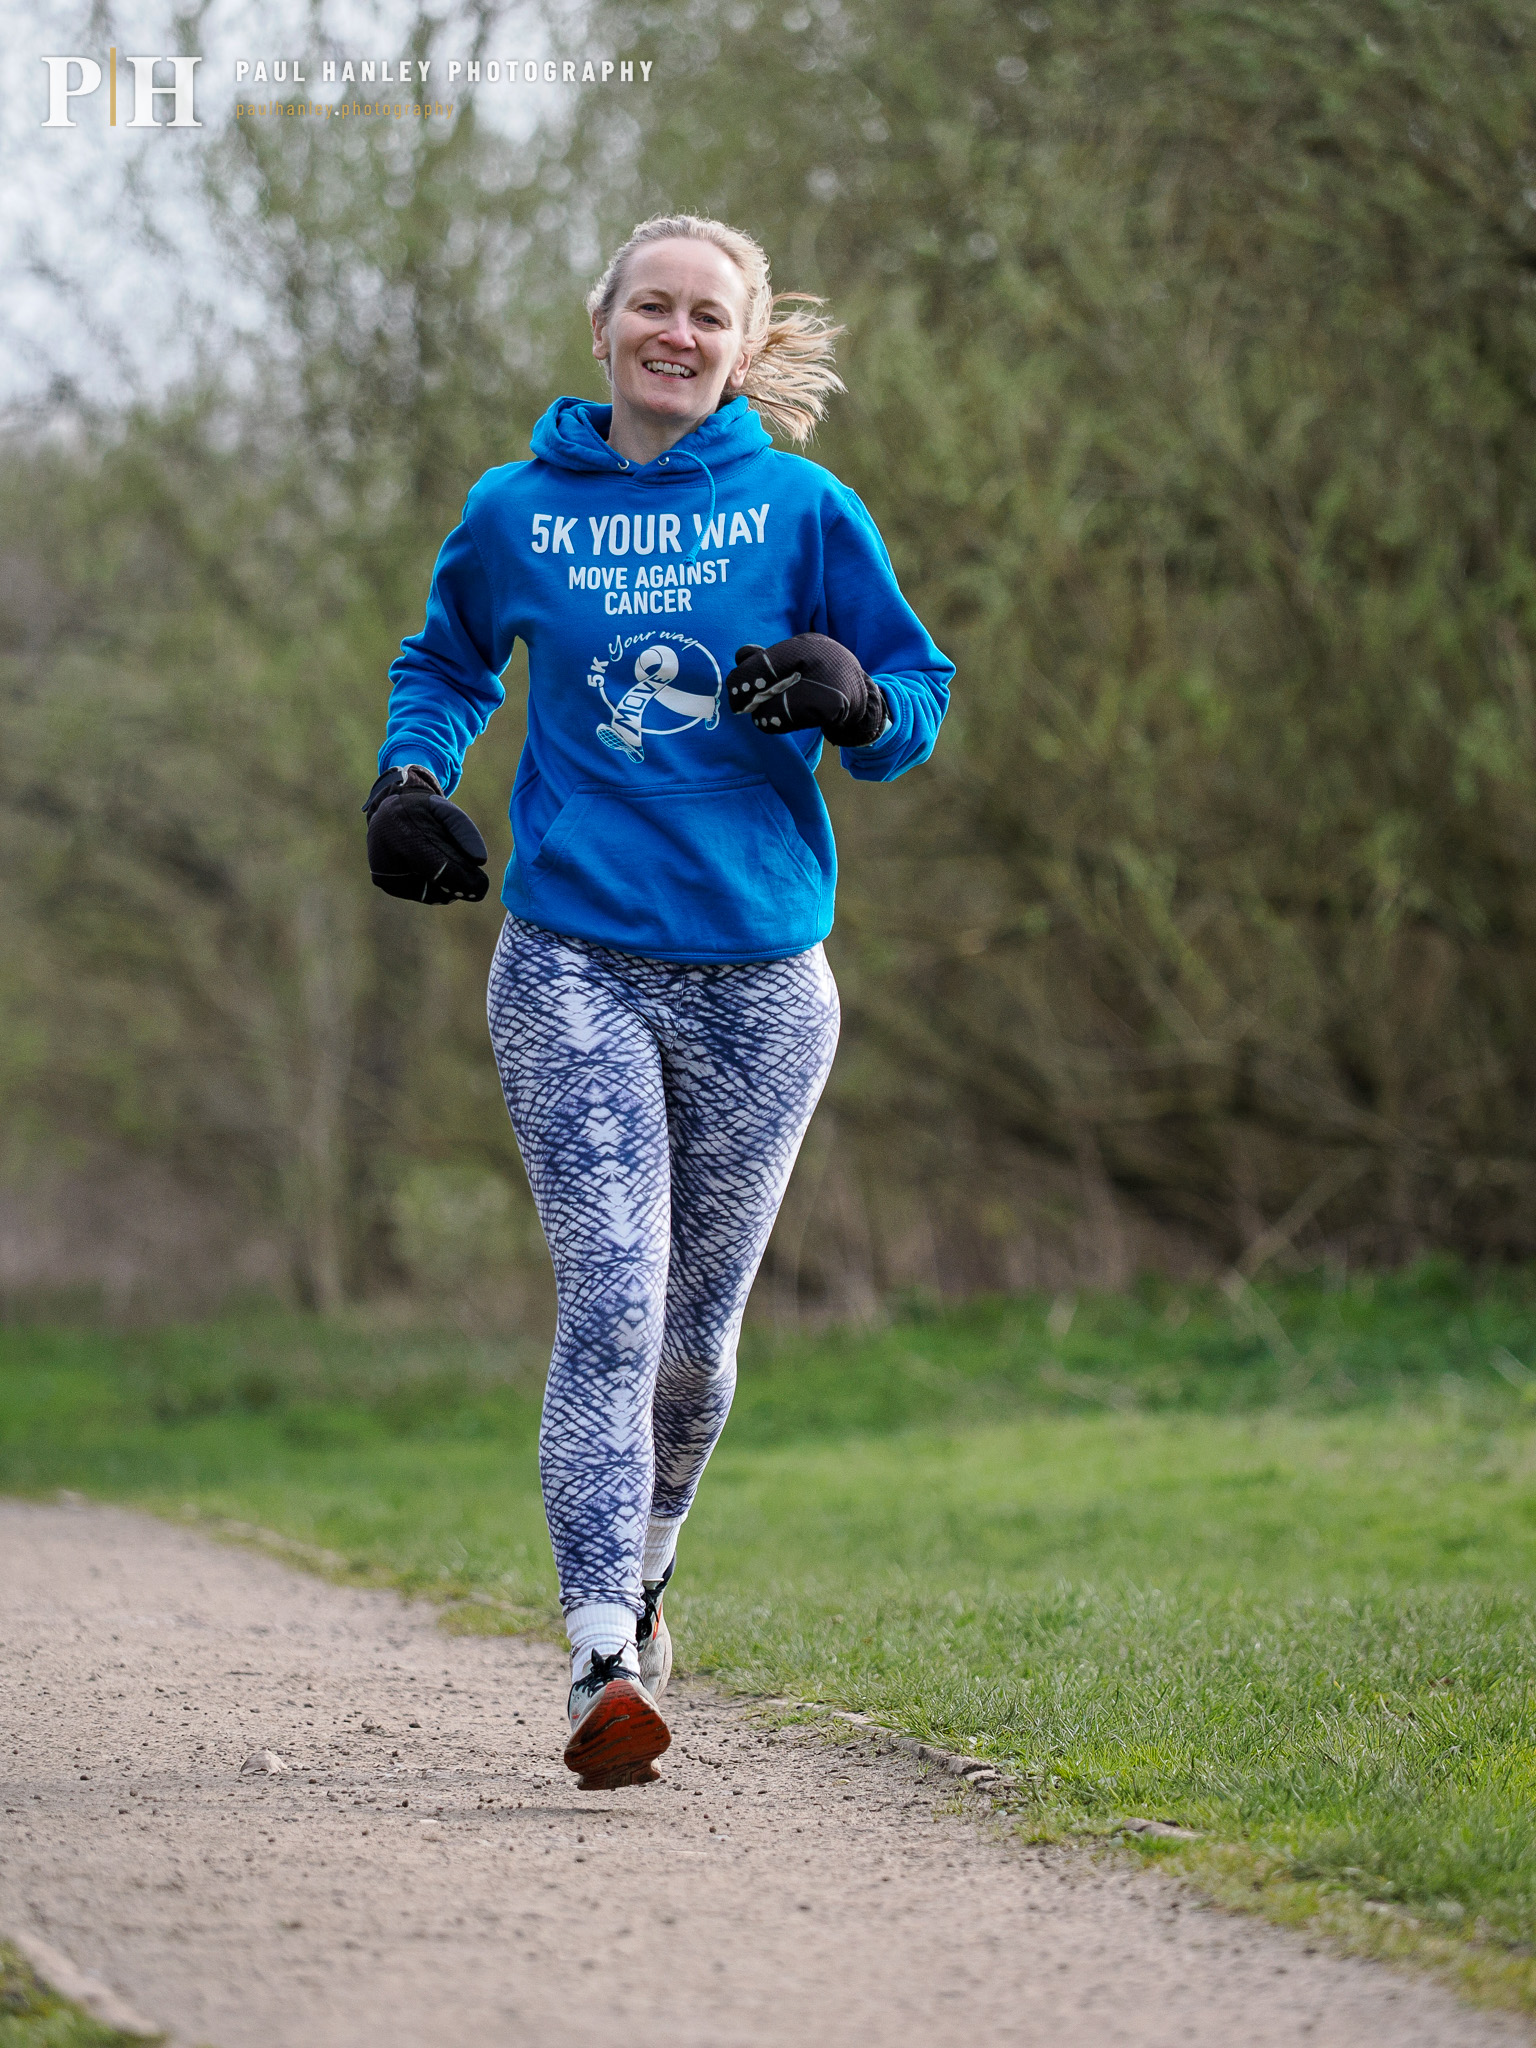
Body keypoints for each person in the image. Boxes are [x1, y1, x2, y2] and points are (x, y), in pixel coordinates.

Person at [364, 213, 953, 1790]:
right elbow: (446, 661)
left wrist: (852, 694)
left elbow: (916, 703)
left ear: (743, 344)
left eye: (709, 315)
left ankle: (653, 1562)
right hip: (574, 960)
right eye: (652, 307)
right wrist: (410, 779)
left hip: (763, 975)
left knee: (694, 1338)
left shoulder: (805, 507)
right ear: (604, 321)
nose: (676, 335)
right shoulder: (515, 511)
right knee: (613, 1296)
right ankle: (597, 1654)